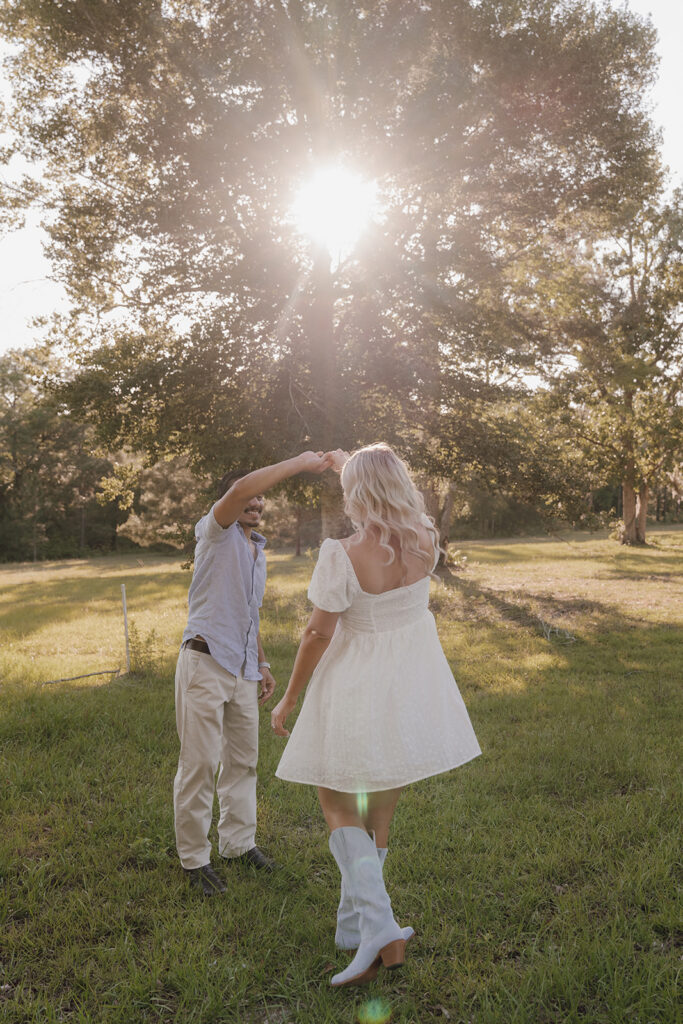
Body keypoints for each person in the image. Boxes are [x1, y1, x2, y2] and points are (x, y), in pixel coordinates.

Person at [271, 443, 481, 985]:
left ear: (357, 493)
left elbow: (319, 631)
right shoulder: (426, 540)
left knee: (335, 800)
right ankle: (356, 927)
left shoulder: (343, 552)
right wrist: (355, 465)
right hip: (408, 685)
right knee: (378, 813)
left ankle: (381, 925)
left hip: (356, 682)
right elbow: (386, 495)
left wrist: (290, 696)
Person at [174, 450, 331, 896]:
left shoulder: (256, 550)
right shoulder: (215, 531)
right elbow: (241, 489)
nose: (256, 504)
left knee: (242, 763)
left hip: (242, 668)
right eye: (251, 497)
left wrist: (260, 663)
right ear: (230, 498)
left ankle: (239, 845)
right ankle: (194, 859)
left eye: (262, 501)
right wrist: (300, 462)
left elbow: (249, 613)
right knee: (200, 763)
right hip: (205, 662)